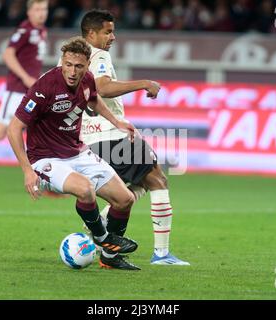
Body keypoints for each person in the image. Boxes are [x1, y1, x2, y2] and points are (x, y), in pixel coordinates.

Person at [7, 36, 141, 271]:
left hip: (77, 152)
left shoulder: (87, 79)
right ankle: (103, 240)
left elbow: (94, 100)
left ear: (87, 65)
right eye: (67, 64)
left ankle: (110, 258)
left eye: (78, 66)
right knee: (85, 189)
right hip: (45, 159)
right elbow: (14, 129)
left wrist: (117, 122)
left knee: (125, 199)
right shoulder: (44, 87)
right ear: (62, 63)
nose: (72, 71)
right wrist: (28, 170)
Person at [80, 9, 190, 266]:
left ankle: (100, 233)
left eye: (113, 31)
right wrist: (144, 83)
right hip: (111, 137)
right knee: (159, 179)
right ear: (91, 33)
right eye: (108, 31)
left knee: (132, 190)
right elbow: (104, 88)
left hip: (88, 140)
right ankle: (161, 254)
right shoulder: (99, 55)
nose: (113, 37)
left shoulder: (70, 61)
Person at [0, 0, 48, 155]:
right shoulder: (25, 30)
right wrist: (26, 77)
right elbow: (8, 54)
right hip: (17, 90)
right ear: (29, 12)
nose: (41, 13)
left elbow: (31, 61)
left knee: (42, 126)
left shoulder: (41, 30)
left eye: (44, 9)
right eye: (37, 9)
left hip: (31, 92)